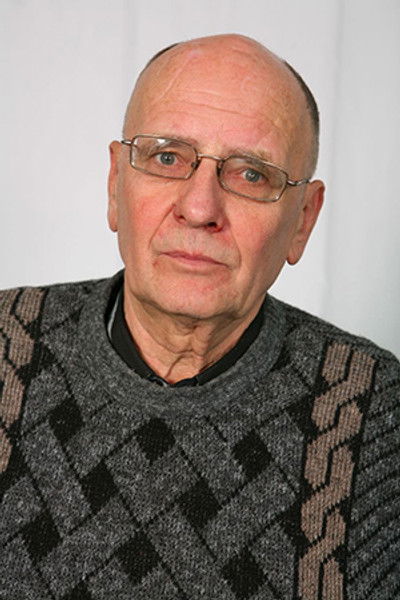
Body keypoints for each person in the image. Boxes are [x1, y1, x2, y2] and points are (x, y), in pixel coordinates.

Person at [0, 34, 399, 600]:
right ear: (115, 184)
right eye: (167, 157)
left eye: (252, 174)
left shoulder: (376, 412)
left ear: (303, 220)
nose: (199, 207)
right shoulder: (5, 346)